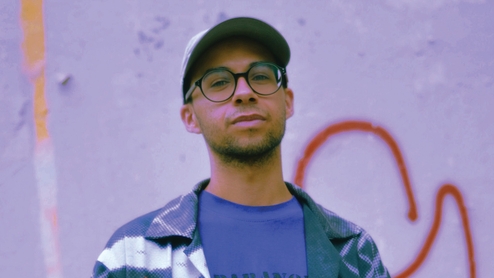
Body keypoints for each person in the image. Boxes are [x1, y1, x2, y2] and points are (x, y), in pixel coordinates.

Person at [92, 17, 390, 278]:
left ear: (287, 102)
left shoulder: (352, 250)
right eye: (219, 82)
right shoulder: (133, 256)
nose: (245, 93)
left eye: (260, 76)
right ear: (190, 117)